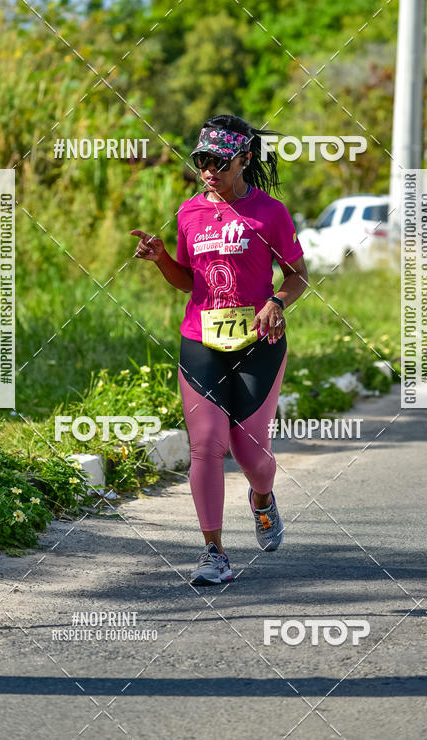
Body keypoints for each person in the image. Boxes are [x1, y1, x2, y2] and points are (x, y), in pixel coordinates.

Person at [130, 113, 308, 585]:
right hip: (201, 340)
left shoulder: (270, 212)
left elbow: (297, 275)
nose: (208, 170)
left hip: (259, 341)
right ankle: (214, 553)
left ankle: (263, 499)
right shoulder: (189, 212)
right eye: (201, 161)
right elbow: (187, 281)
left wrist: (275, 301)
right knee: (206, 445)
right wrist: (162, 259)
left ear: (244, 160)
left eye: (219, 162)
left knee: (249, 454)